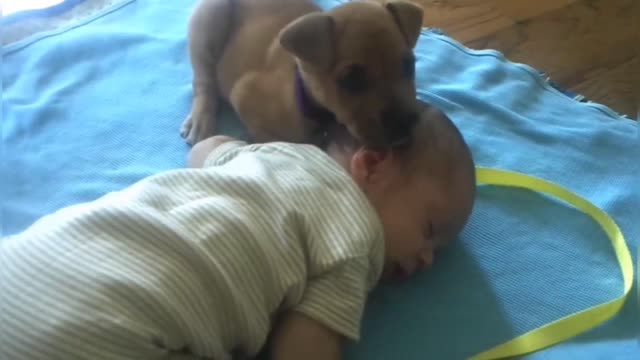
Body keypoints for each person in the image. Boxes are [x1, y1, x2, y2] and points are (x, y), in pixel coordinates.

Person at [0, 105, 475, 360]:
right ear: (372, 165)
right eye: (430, 229)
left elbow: (205, 149)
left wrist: (232, 147)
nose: (428, 258)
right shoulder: (356, 240)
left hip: (28, 265)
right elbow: (303, 349)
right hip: (118, 332)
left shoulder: (272, 156)